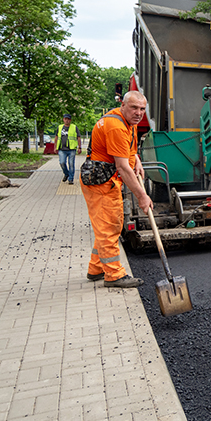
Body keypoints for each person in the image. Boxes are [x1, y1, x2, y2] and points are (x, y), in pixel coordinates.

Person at [81, 91, 152, 288]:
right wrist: (142, 196)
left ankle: (96, 269)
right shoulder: (116, 127)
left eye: (142, 109)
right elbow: (122, 167)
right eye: (134, 108)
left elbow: (127, 149)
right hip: (102, 182)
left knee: (105, 227)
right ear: (123, 106)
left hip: (107, 179)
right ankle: (114, 275)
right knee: (109, 227)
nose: (138, 113)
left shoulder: (127, 122)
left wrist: (136, 159)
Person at [56, 114, 82, 184]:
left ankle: (71, 179)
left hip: (71, 149)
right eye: (65, 119)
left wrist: (80, 147)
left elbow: (78, 137)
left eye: (68, 119)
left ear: (70, 120)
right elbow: (56, 137)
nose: (67, 120)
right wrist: (55, 147)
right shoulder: (60, 127)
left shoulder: (74, 127)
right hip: (62, 149)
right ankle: (66, 173)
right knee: (62, 163)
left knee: (71, 164)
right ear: (63, 119)